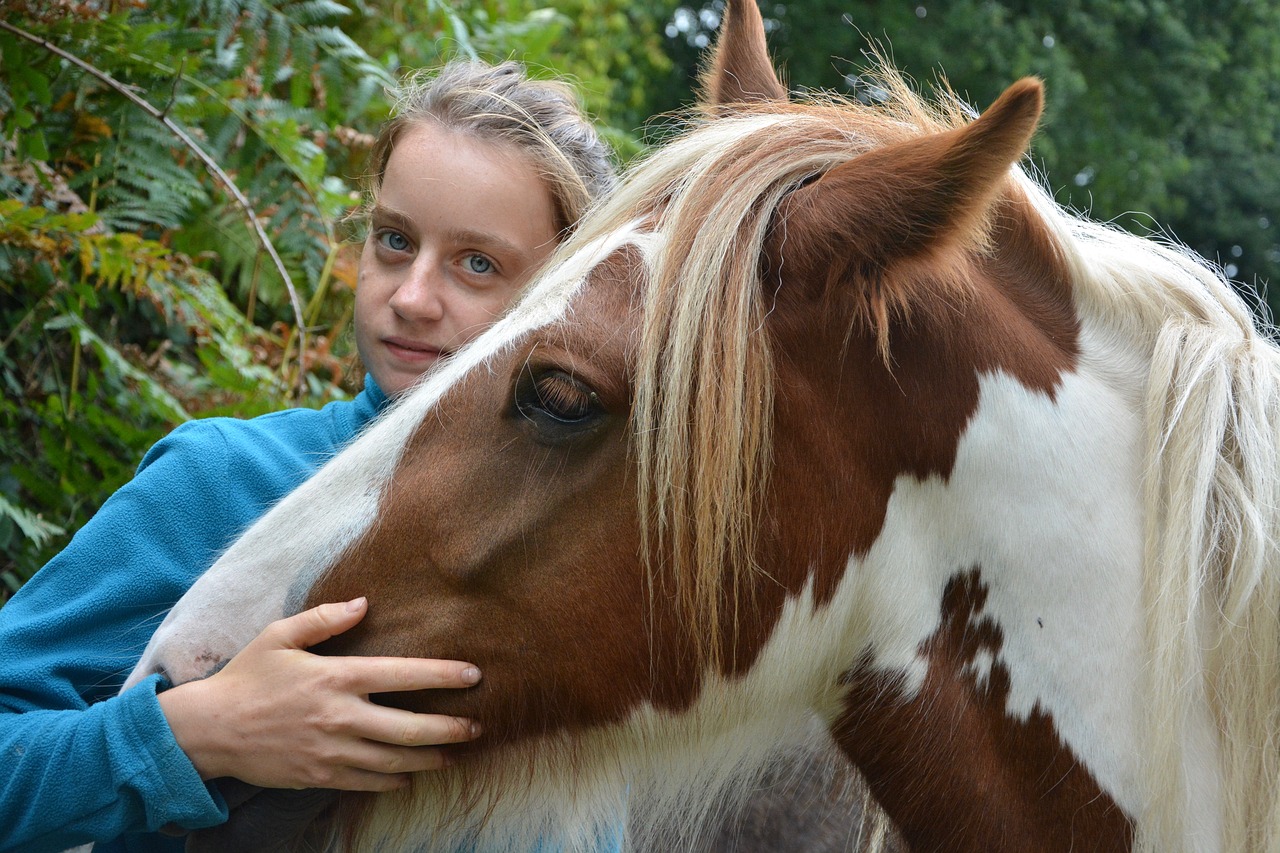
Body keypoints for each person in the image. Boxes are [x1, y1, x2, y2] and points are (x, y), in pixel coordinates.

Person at [0, 59, 616, 853]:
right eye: (395, 241)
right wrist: (196, 734)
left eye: (477, 264)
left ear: (571, 289)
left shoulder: (603, 556)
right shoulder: (221, 479)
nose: (411, 296)